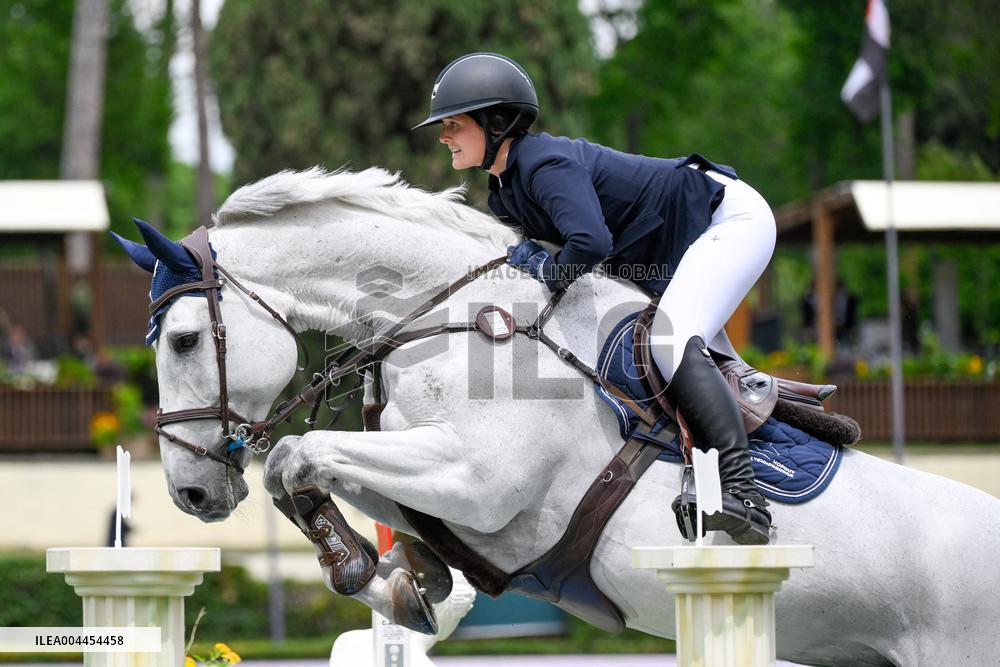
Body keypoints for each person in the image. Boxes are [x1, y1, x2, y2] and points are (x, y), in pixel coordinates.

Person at [413, 52, 775, 544]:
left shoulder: (544, 163)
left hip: (728, 219)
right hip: (677, 247)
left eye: (453, 124)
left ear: (495, 122)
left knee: (669, 342)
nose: (443, 136)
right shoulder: (503, 189)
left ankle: (743, 490)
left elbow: (590, 244)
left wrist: (543, 265)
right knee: (671, 351)